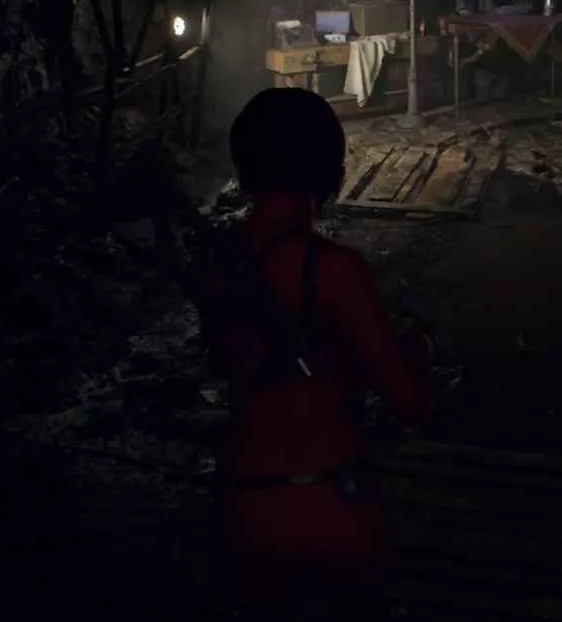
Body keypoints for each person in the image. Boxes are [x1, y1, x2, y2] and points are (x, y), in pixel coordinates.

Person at [150, 88, 428, 621]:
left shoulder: (220, 261)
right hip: (329, 508)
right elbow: (409, 403)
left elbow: (234, 365)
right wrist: (413, 351)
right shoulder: (333, 270)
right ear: (328, 170)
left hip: (241, 507)